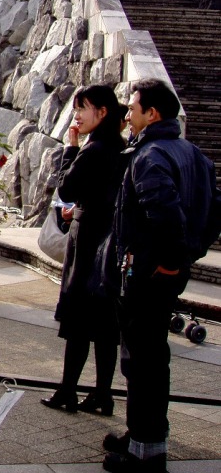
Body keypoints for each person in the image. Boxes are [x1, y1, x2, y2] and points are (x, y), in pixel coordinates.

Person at [102, 79, 221, 473]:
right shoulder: (194, 154)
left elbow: (165, 213)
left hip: (147, 275)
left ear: (152, 114)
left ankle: (147, 454)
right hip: (164, 272)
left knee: (144, 364)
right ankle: (140, 436)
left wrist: (172, 259)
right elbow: (214, 212)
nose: (128, 114)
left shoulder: (151, 156)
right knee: (148, 360)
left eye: (133, 107)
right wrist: (189, 255)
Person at [40, 85, 126, 416]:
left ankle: (68, 391)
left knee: (77, 321)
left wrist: (71, 148)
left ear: (102, 112)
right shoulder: (121, 147)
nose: (77, 115)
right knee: (105, 325)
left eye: (82, 108)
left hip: (88, 240)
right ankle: (103, 394)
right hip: (110, 242)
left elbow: (67, 188)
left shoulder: (93, 150)